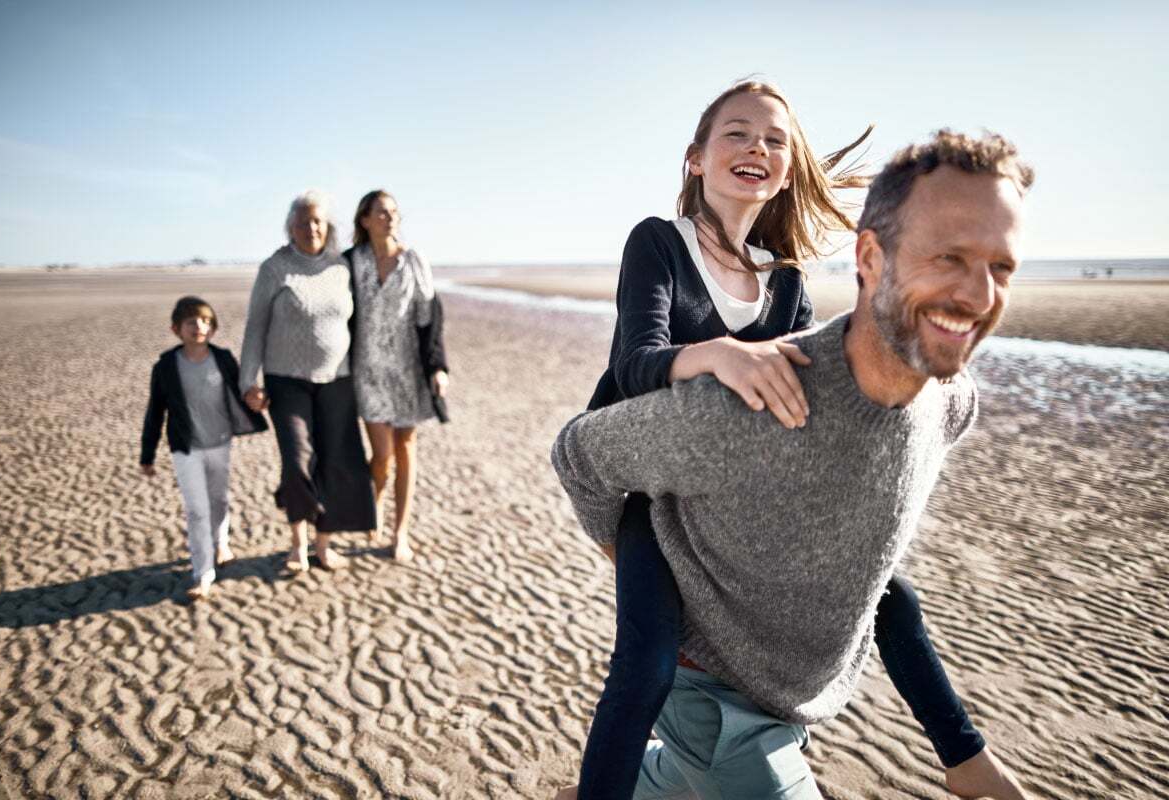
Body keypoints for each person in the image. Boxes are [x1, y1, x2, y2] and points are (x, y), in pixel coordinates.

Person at [558, 82, 1025, 800]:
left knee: (887, 594)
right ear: (696, 160)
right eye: (738, 134)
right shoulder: (659, 242)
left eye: (775, 141)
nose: (758, 148)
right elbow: (631, 364)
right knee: (649, 661)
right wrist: (717, 353)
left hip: (728, 485)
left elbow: (794, 397)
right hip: (643, 484)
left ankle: (965, 759)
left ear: (787, 169)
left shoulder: (784, 278)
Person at [240, 190, 376, 572]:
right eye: (303, 222)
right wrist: (249, 381)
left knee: (334, 460)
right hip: (286, 380)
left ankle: (322, 543)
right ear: (291, 227)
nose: (311, 228)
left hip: (338, 380)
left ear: (327, 226)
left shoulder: (340, 267)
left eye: (317, 221)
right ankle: (298, 542)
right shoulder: (274, 268)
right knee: (298, 459)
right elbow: (255, 328)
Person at [344, 190, 450, 563]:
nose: (389, 218)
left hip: (408, 369)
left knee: (405, 448)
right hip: (367, 369)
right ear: (365, 220)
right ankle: (374, 500)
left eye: (393, 212)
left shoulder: (414, 260)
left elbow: (430, 316)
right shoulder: (351, 262)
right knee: (381, 454)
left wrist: (437, 367)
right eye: (381, 213)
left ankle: (399, 532)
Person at [139, 296, 268, 600]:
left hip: (220, 443)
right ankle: (203, 573)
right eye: (191, 322)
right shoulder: (166, 366)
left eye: (206, 321)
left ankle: (221, 542)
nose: (199, 327)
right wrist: (147, 454)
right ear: (176, 329)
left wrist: (258, 400)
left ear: (213, 328)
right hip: (186, 448)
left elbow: (242, 391)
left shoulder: (222, 358)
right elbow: (155, 410)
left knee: (219, 499)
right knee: (197, 510)